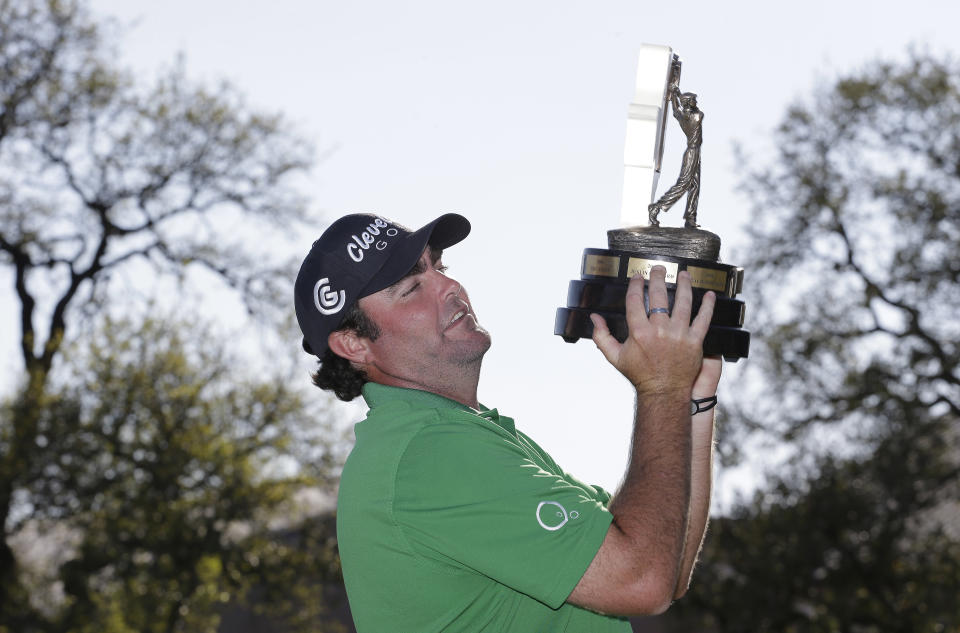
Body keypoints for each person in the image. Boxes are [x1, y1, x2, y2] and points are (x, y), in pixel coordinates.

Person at [294, 213, 721, 631]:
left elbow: (667, 562)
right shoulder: (430, 454)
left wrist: (690, 397)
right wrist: (661, 389)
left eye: (440, 267)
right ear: (353, 343)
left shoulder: (461, 433)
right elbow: (642, 580)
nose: (449, 286)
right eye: (410, 288)